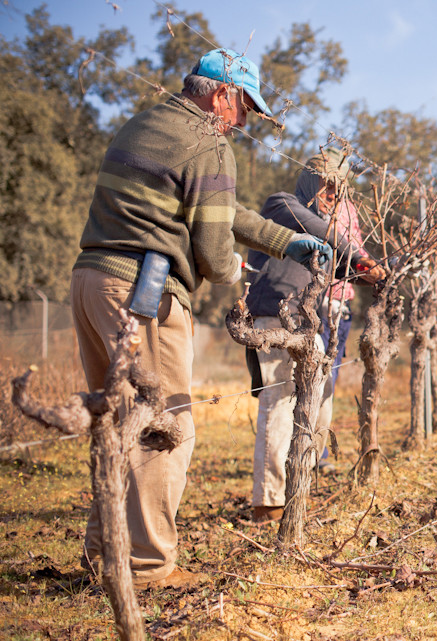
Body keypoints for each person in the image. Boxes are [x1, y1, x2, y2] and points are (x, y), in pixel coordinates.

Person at [71, 48, 333, 589]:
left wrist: (287, 243)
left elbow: (221, 209)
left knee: (118, 421)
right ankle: (148, 567)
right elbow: (215, 255)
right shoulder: (210, 142)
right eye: (245, 110)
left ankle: (105, 555)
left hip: (92, 280)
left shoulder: (145, 122)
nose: (244, 124)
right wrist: (226, 268)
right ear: (221, 96)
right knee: (166, 427)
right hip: (143, 296)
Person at [244, 148, 382, 523]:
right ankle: (268, 502)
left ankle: (297, 490)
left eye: (339, 190)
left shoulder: (330, 237)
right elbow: (319, 228)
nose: (332, 195)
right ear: (308, 181)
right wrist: (356, 254)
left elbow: (344, 265)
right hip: (274, 318)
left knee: (321, 405)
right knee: (279, 403)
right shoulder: (282, 205)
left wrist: (371, 270)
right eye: (326, 186)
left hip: (310, 324)